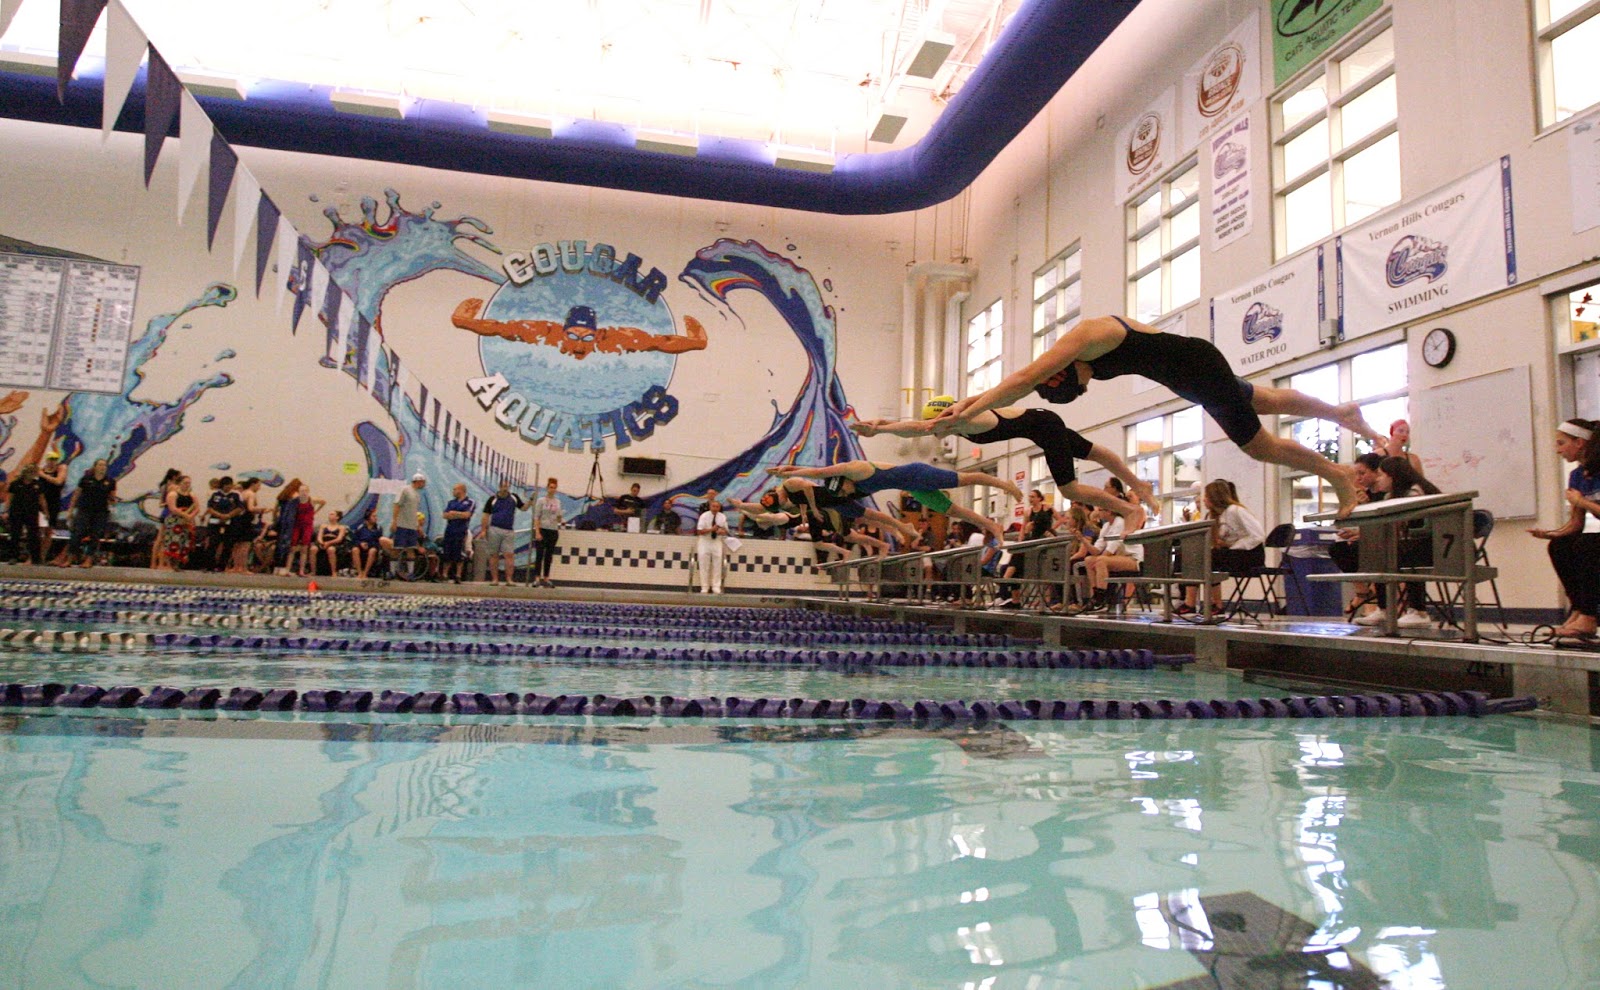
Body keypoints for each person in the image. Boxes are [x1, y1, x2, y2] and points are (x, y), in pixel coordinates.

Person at [935, 314, 1382, 516]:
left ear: (1065, 370)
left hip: (1197, 368)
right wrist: (967, 406)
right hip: (1190, 375)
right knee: (1263, 399)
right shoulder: (1067, 365)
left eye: (1086, 380)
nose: (1092, 379)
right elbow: (1021, 381)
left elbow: (1020, 378)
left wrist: (964, 411)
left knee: (1260, 448)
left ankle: (1335, 475)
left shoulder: (1086, 337)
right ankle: (1340, 411)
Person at [852, 402, 1153, 529]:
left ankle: (1129, 509)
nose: (934, 431)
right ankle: (1140, 487)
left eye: (935, 424)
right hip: (1043, 422)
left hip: (1044, 427)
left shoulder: (963, 418)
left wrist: (880, 428)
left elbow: (916, 428)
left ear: (942, 417)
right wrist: (880, 424)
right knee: (1094, 452)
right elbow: (915, 426)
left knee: (1070, 489)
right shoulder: (961, 421)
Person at [767, 459, 1022, 542]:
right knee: (953, 510)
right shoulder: (849, 487)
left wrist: (790, 470)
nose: (845, 494)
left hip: (917, 474)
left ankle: (1004, 484)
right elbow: (821, 481)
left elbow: (818, 473)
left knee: (965, 478)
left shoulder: (856, 469)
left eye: (843, 491)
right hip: (913, 489)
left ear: (844, 481)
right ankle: (993, 526)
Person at [1528, 419, 1600, 639]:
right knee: (1560, 546)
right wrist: (1552, 534)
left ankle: (1589, 615)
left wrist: (1583, 502)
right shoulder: (1577, 475)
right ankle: (1578, 608)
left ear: (1579, 443)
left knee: (1588, 545)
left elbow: (1583, 506)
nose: (1557, 450)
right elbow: (1576, 524)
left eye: (1561, 443)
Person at [1352, 455, 1442, 629]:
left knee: (1401, 551)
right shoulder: (1391, 496)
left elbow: (1410, 528)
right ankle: (1385, 608)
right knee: (1374, 550)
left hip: (1433, 547)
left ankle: (1419, 611)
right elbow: (1384, 526)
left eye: (1381, 474)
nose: (1379, 478)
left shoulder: (1414, 493)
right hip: (1415, 544)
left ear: (1393, 476)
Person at [452, 300, 708, 360]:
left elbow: (659, 342)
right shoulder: (545, 334)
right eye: (572, 336)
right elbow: (499, 328)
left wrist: (696, 342)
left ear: (597, 335)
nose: (578, 344)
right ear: (562, 332)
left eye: (586, 337)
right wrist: (464, 321)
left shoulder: (612, 341)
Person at [1179, 479, 1266, 614]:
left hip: (1251, 555)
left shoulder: (1236, 511)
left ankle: (1211, 604)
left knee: (1208, 559)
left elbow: (1258, 535)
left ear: (1215, 498)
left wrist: (1232, 546)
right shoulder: (1214, 516)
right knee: (1193, 557)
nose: (1203, 500)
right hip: (1235, 552)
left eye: (1206, 497)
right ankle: (1193, 602)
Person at [1330, 453, 1385, 618]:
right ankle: (1362, 591)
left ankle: (1375, 598)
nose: (1359, 478)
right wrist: (1357, 532)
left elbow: (1386, 524)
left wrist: (1363, 534)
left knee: (1369, 552)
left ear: (1378, 473)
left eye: (1363, 473)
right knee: (1339, 548)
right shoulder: (1363, 494)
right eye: (1357, 474)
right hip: (1372, 539)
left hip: (1386, 543)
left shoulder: (1386, 494)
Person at [1067, 501, 1145, 614]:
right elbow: (1096, 550)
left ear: (1109, 511)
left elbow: (1111, 549)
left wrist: (1098, 560)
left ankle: (1100, 598)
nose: (1097, 513)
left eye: (1100, 510)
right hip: (1118, 557)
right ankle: (1095, 596)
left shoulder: (1119, 523)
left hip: (1133, 558)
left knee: (1100, 561)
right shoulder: (1106, 526)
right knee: (1089, 560)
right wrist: (1082, 539)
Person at [66, 459, 116, 567]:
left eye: (104, 465)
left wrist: (113, 501)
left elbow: (112, 497)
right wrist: (70, 510)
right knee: (77, 533)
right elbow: (76, 495)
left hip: (100, 511)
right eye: (100, 465)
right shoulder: (86, 479)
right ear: (95, 467)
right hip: (84, 510)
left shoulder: (110, 481)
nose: (103, 467)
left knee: (95, 535)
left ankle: (89, 559)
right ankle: (69, 558)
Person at [480, 479, 524, 586]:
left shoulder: (514, 497)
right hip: (494, 529)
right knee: (494, 555)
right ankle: (495, 579)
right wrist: (483, 530)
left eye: (507, 486)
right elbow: (485, 515)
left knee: (509, 555)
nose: (505, 488)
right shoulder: (493, 499)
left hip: (508, 530)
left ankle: (509, 579)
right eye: (503, 486)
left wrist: (531, 501)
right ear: (499, 487)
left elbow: (524, 508)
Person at [156, 475, 199, 570]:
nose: (187, 485)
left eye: (189, 483)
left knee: (184, 542)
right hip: (174, 521)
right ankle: (169, 564)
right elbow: (173, 508)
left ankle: (178, 564)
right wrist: (185, 515)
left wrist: (190, 516)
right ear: (180, 483)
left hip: (187, 521)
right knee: (173, 542)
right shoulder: (173, 494)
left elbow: (197, 508)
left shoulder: (192, 495)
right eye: (185, 483)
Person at [381, 473, 426, 560]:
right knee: (397, 549)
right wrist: (394, 521)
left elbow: (414, 512)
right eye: (423, 482)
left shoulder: (417, 494)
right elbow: (397, 505)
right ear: (419, 481)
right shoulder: (405, 490)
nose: (424, 484)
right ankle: (393, 572)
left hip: (412, 527)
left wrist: (417, 526)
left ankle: (410, 572)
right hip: (402, 525)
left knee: (411, 549)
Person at [5, 464, 42, 564]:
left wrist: (45, 512)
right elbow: (9, 498)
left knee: (33, 535)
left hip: (31, 512)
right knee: (15, 534)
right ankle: (13, 556)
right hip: (16, 511)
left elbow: (41, 499)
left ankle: (35, 558)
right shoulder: (16, 484)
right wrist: (6, 511)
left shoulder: (37, 484)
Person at [440, 483, 476, 584]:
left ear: (461, 490)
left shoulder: (470, 502)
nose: (453, 492)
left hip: (461, 530)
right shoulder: (451, 502)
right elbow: (445, 515)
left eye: (454, 489)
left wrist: (454, 513)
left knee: (459, 553)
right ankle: (444, 575)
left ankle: (458, 575)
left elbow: (467, 515)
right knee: (447, 552)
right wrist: (457, 514)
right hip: (450, 530)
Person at [285, 485, 325, 577]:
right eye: (301, 491)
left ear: (308, 491)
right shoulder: (296, 501)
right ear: (298, 492)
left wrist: (316, 511)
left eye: (305, 490)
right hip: (296, 526)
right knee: (292, 548)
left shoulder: (312, 500)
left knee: (304, 548)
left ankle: (301, 571)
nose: (303, 492)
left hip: (307, 526)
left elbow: (323, 502)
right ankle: (287, 570)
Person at [532, 477, 563, 588]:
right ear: (547, 488)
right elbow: (536, 517)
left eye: (554, 488)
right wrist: (537, 532)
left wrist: (560, 518)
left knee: (549, 555)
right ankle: (536, 578)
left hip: (553, 530)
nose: (552, 489)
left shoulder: (558, 502)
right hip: (543, 529)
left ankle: (546, 577)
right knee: (539, 554)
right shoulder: (541, 501)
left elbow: (559, 518)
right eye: (551, 487)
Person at [36, 451, 66, 564]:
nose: (52, 462)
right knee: (37, 531)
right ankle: (34, 556)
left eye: (55, 459)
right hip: (39, 504)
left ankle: (42, 557)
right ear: (47, 460)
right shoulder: (41, 470)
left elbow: (58, 482)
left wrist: (43, 475)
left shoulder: (60, 470)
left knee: (48, 532)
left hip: (53, 504)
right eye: (50, 459)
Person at [695, 498, 730, 593]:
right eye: (713, 506)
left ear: (719, 508)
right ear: (710, 507)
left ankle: (716, 586)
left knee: (717, 564)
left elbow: (726, 531)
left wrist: (722, 531)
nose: (715, 508)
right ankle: (704, 587)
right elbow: (699, 531)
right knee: (704, 564)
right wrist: (711, 529)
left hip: (716, 541)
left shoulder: (722, 517)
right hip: (705, 541)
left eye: (717, 507)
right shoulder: (704, 516)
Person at [350, 508, 383, 580]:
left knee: (372, 551)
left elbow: (379, 541)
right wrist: (360, 543)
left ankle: (365, 573)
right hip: (360, 546)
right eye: (373, 516)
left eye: (376, 516)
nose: (376, 518)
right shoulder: (360, 527)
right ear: (368, 517)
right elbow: (354, 539)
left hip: (372, 547)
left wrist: (369, 545)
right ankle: (359, 572)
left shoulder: (378, 528)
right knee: (355, 549)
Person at [316, 509, 348, 577]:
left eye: (332, 514)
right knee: (313, 549)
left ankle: (333, 571)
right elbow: (319, 536)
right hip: (324, 541)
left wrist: (328, 543)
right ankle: (313, 571)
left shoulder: (341, 527)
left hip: (334, 542)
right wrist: (321, 543)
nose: (330, 516)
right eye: (329, 514)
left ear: (337, 517)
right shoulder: (323, 526)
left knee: (331, 549)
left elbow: (339, 539)